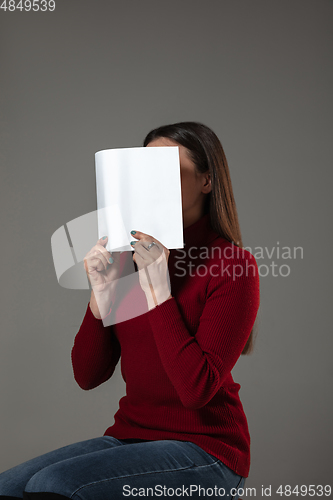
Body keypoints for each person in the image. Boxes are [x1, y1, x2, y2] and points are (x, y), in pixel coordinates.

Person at [0, 122, 260, 500]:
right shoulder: (128, 260)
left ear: (207, 181)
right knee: (8, 488)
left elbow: (195, 390)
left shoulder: (232, 265)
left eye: (167, 168)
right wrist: (99, 298)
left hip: (207, 451)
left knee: (54, 486)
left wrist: (157, 291)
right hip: (130, 437)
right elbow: (87, 375)